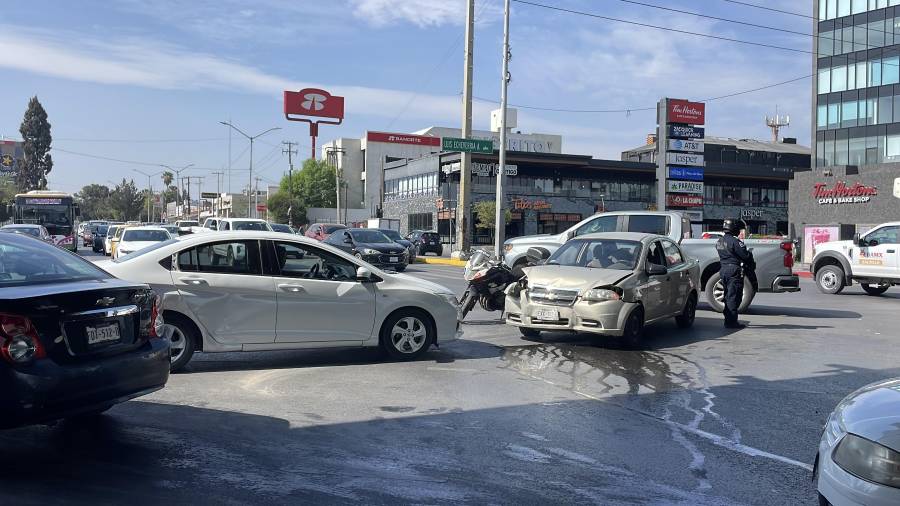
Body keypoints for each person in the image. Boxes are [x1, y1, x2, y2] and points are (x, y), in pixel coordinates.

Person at [716, 218, 754, 329]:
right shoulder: (735, 241)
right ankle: (731, 322)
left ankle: (728, 319)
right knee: (734, 297)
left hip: (723, 270)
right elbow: (745, 256)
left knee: (728, 295)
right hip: (734, 270)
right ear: (734, 228)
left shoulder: (720, 241)